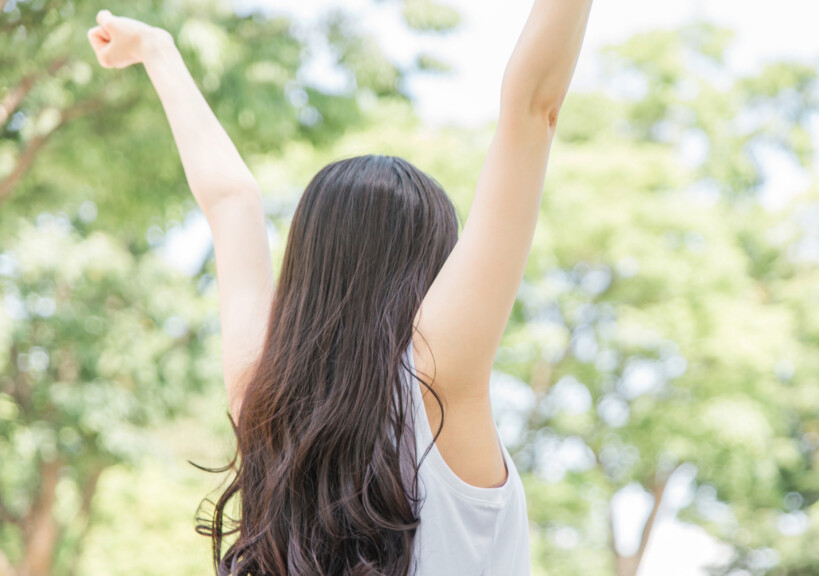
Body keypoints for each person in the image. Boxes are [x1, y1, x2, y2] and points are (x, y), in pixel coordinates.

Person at [87, 2, 592, 575]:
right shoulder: (436, 381)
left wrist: (157, 50)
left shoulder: (267, 401)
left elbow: (232, 202)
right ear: (431, 272)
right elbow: (532, 112)